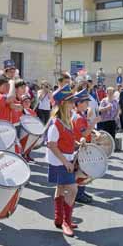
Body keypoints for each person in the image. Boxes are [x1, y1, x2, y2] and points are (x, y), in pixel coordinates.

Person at [46, 85, 78, 237]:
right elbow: (51, 144)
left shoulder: (67, 120)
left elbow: (64, 140)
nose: (73, 104)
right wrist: (66, 162)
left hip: (65, 159)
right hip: (60, 161)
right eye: (71, 101)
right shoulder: (56, 122)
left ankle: (59, 219)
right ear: (64, 103)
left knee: (60, 188)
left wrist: (78, 144)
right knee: (72, 189)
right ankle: (66, 221)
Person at [72, 88, 99, 205]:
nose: (88, 104)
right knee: (82, 171)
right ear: (79, 103)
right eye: (86, 102)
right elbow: (84, 133)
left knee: (83, 170)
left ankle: (81, 192)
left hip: (81, 146)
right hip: (80, 147)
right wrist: (94, 122)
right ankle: (79, 194)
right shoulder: (78, 118)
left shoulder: (79, 115)